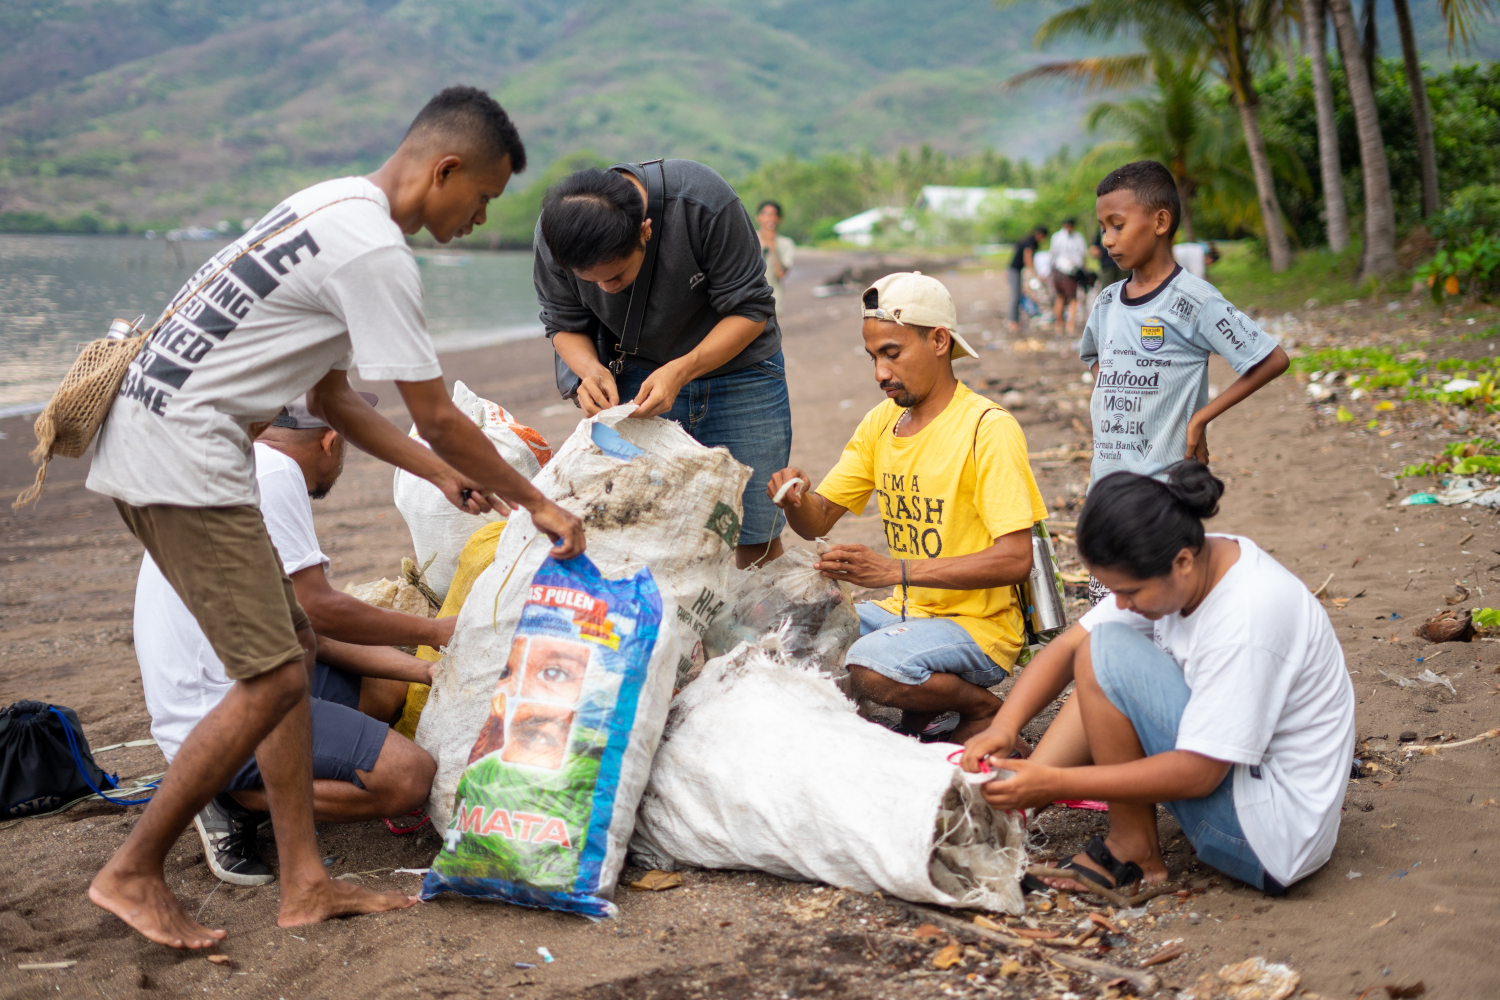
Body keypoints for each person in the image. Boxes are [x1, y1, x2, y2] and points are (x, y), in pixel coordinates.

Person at [83, 85, 585, 950]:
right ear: (446, 168)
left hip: (161, 438)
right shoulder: (376, 254)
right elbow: (438, 413)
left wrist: (443, 476)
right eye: (485, 198)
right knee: (275, 679)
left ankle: (305, 881)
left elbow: (333, 400)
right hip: (184, 454)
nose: (479, 217)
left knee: (292, 658)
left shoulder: (324, 206)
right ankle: (133, 868)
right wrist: (537, 500)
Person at [962, 462, 1355, 896]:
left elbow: (1198, 775)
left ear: (1182, 561)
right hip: (1253, 800)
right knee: (1100, 652)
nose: (1123, 603)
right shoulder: (1192, 564)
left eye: (1128, 591)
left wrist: (1060, 784)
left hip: (1271, 840)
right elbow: (1066, 648)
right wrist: (1004, 727)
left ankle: (1129, 849)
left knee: (1106, 653)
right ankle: (1019, 802)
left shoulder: (1247, 617)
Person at [135, 395, 446, 886]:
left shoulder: (240, 458)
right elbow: (322, 608)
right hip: (216, 712)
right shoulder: (276, 475)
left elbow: (305, 625)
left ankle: (249, 778)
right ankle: (223, 792)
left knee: (387, 688)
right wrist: (436, 631)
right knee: (409, 778)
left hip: (241, 669)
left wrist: (423, 667)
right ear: (330, 440)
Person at [766, 273, 1047, 744]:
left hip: (978, 628)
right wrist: (794, 498)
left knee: (869, 669)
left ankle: (986, 710)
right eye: (873, 357)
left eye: (892, 353)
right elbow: (817, 520)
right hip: (904, 615)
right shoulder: (883, 423)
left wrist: (893, 570)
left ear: (939, 340)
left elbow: (1017, 560)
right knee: (789, 630)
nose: (880, 373)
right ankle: (926, 708)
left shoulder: (988, 429)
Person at [537, 160, 788, 568]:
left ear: (646, 232)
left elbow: (752, 310)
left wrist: (683, 368)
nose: (604, 289)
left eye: (616, 277)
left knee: (753, 532)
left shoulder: (703, 203)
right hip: (637, 372)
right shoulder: (556, 234)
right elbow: (563, 322)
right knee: (645, 524)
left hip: (742, 374)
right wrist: (591, 370)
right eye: (590, 280)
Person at [1082, 160, 1288, 606]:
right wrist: (1113, 398)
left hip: (1160, 489)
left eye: (1117, 225)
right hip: (1106, 486)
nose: (1108, 240)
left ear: (1160, 221)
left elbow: (1270, 359)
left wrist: (1199, 419)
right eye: (1102, 228)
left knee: (1154, 608)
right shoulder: (1106, 302)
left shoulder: (1193, 300)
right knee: (1110, 610)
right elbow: (1096, 358)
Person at [1049, 218, 1088, 336]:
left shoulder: (1061, 237)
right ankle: (1066, 325)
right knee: (1071, 299)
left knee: (1061, 297)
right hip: (1066, 271)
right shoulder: (1062, 237)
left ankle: (1060, 325)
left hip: (1064, 270)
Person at [756, 199, 796, 314]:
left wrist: (772, 244)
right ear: (758, 217)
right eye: (766, 214)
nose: (770, 218)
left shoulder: (786, 243)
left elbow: (781, 273)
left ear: (779, 219)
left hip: (773, 300)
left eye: (774, 214)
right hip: (749, 298)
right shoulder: (750, 239)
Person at [1007, 224, 1049, 333]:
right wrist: (1035, 275)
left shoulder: (1031, 242)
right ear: (1039, 234)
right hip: (1014, 271)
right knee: (1016, 296)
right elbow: (1028, 260)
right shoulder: (1030, 242)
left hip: (1018, 271)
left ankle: (1016, 320)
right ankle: (1012, 322)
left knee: (1021, 294)